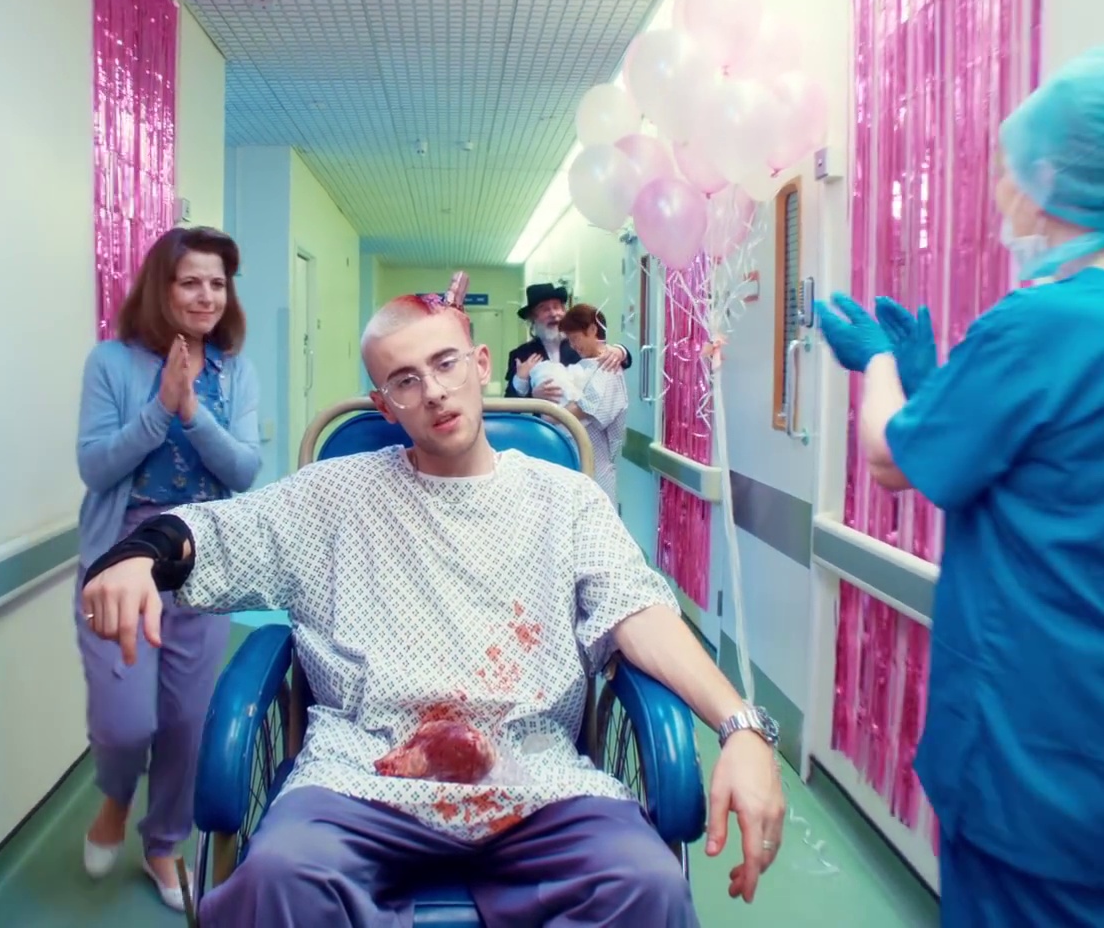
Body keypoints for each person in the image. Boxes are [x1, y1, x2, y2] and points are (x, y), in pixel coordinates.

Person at [82, 294, 789, 927]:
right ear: (384, 404)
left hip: (534, 773)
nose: (434, 392)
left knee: (645, 885)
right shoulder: (335, 495)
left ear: (480, 364)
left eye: (446, 363)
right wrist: (139, 555)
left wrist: (741, 728)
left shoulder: (565, 500)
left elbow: (638, 613)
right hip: (362, 774)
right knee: (278, 878)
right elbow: (213, 533)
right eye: (406, 380)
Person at [815, 34, 1104, 928]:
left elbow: (891, 460)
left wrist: (879, 363)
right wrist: (940, 395)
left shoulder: (1045, 325)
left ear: (1059, 179)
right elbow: (1048, 465)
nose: (1005, 191)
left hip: (1045, 759)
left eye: (1014, 169)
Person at [73, 226, 262, 911]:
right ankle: (116, 797)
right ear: (162, 287)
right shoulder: (112, 363)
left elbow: (244, 470)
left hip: (203, 554)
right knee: (125, 723)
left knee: (186, 720)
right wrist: (160, 410)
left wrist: (194, 413)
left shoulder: (234, 370)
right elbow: (95, 467)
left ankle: (164, 843)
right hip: (122, 556)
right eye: (191, 282)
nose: (207, 296)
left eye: (217, 283)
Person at [504, 282, 634, 399]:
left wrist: (620, 351)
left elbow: (615, 360)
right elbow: (509, 403)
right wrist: (528, 390)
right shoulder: (522, 355)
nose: (553, 314)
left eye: (557, 307)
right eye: (545, 309)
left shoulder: (581, 344)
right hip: (541, 418)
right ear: (532, 318)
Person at [557, 302, 630, 501]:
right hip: (577, 459)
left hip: (598, 463)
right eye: (569, 340)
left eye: (575, 338)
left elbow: (587, 407)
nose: (573, 345)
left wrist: (551, 415)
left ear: (592, 329)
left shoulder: (609, 365)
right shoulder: (585, 364)